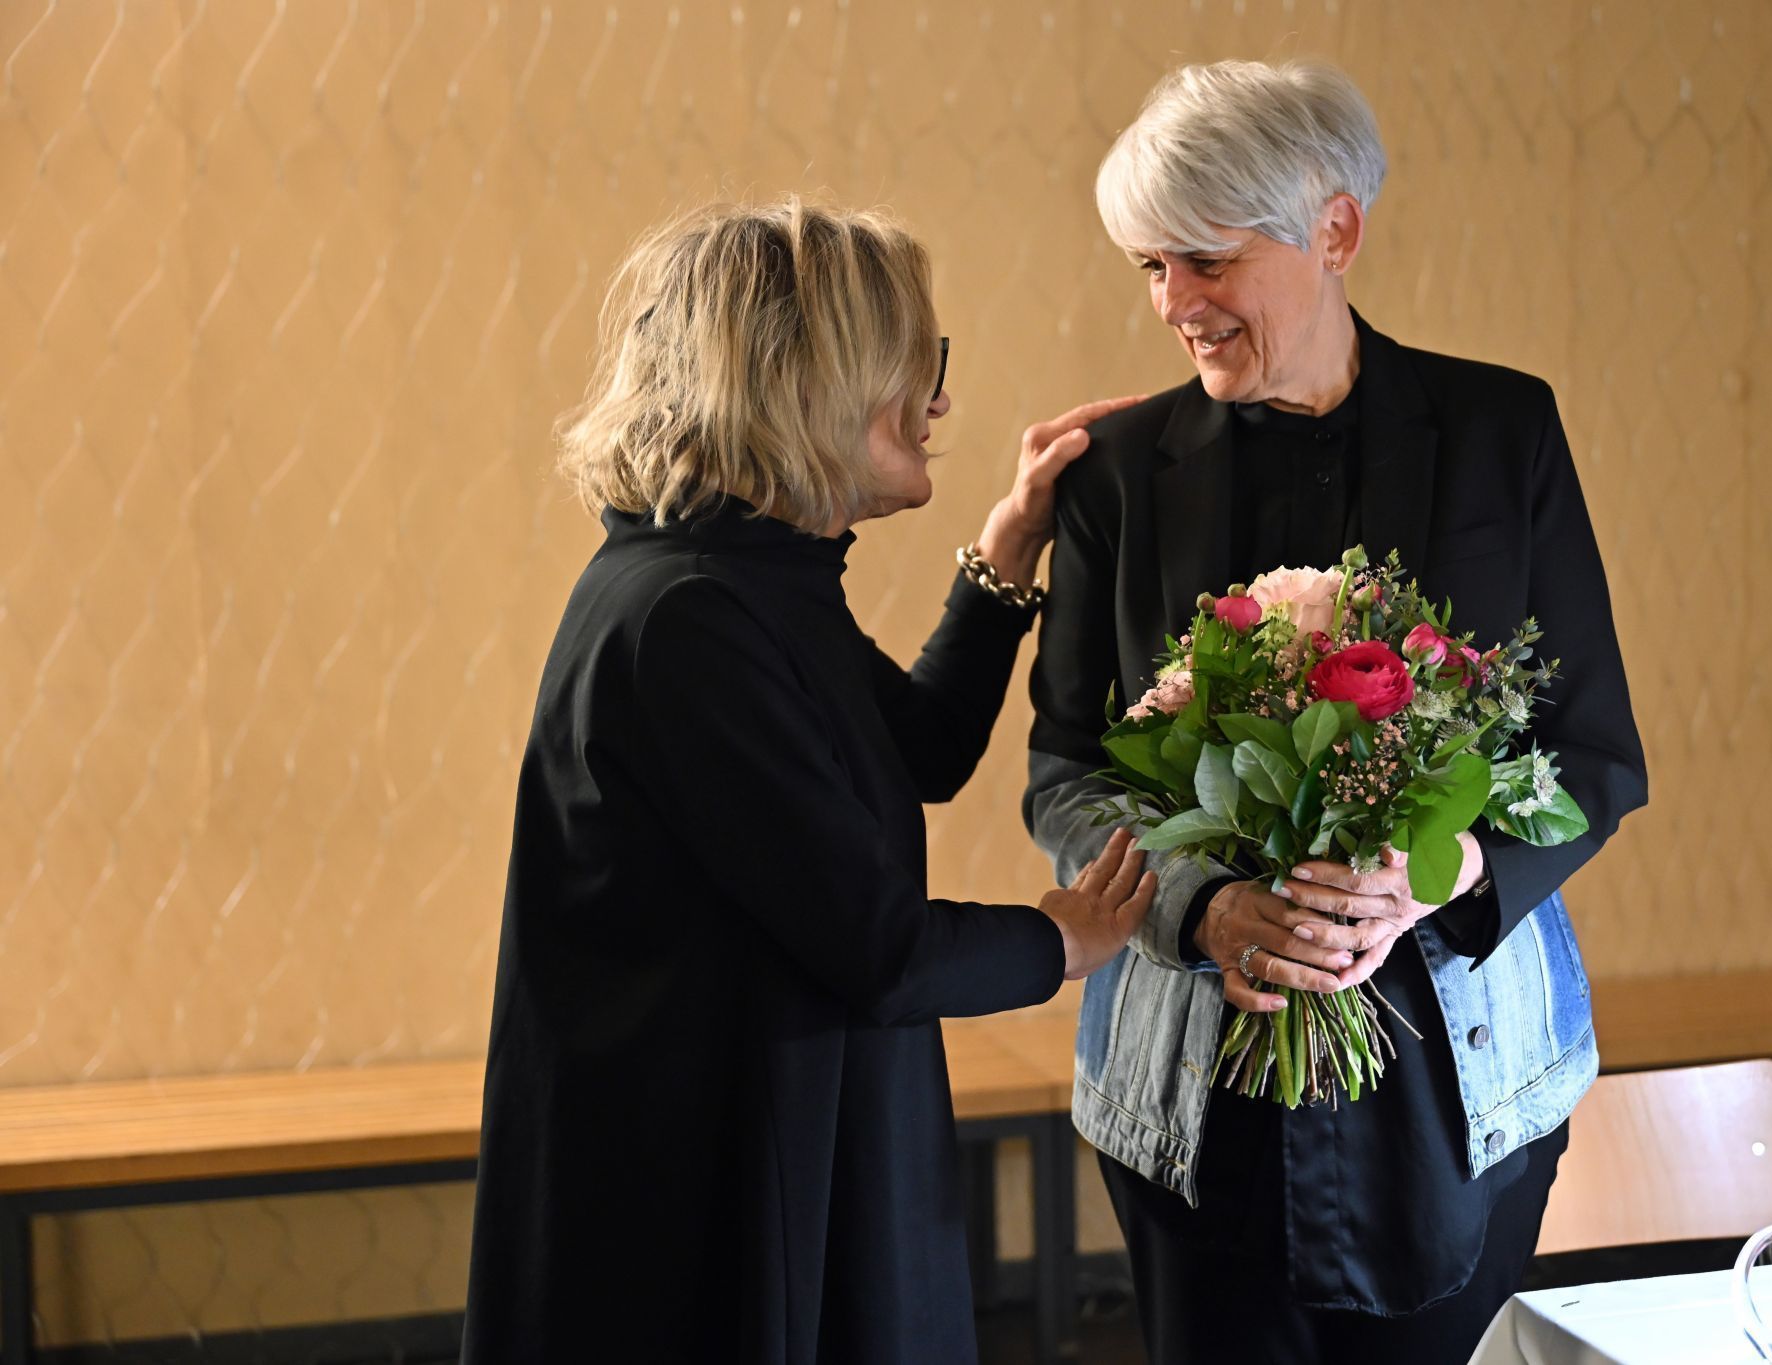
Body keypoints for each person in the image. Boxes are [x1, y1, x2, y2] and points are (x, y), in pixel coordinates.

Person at [1025, 61, 1650, 1363]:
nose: (1173, 305)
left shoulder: (1502, 430)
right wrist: (1202, 906)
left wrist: (1442, 864)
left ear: (1335, 231)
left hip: (1462, 1088)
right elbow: (1066, 774)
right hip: (1194, 1100)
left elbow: (1592, 753)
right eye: (1149, 265)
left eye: (1204, 258)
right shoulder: (1118, 479)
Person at [462, 199, 1154, 1364]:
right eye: (918, 363)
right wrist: (1065, 936)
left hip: (778, 1121)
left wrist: (1008, 549)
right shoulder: (687, 614)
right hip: (703, 1178)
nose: (939, 400)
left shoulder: (746, 575)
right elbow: (876, 947)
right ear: (812, 379)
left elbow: (919, 749)